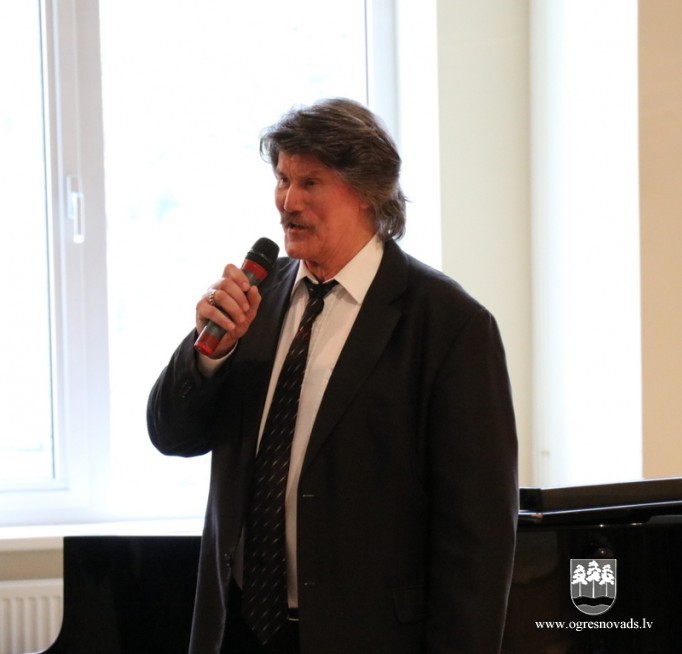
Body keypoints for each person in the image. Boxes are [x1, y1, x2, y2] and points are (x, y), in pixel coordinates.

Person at [147, 98, 518, 654]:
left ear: (367, 190)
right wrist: (209, 356)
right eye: (282, 179)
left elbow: (478, 536)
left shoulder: (449, 326)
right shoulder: (254, 299)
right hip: (239, 627)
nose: (287, 202)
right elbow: (170, 434)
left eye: (310, 183)